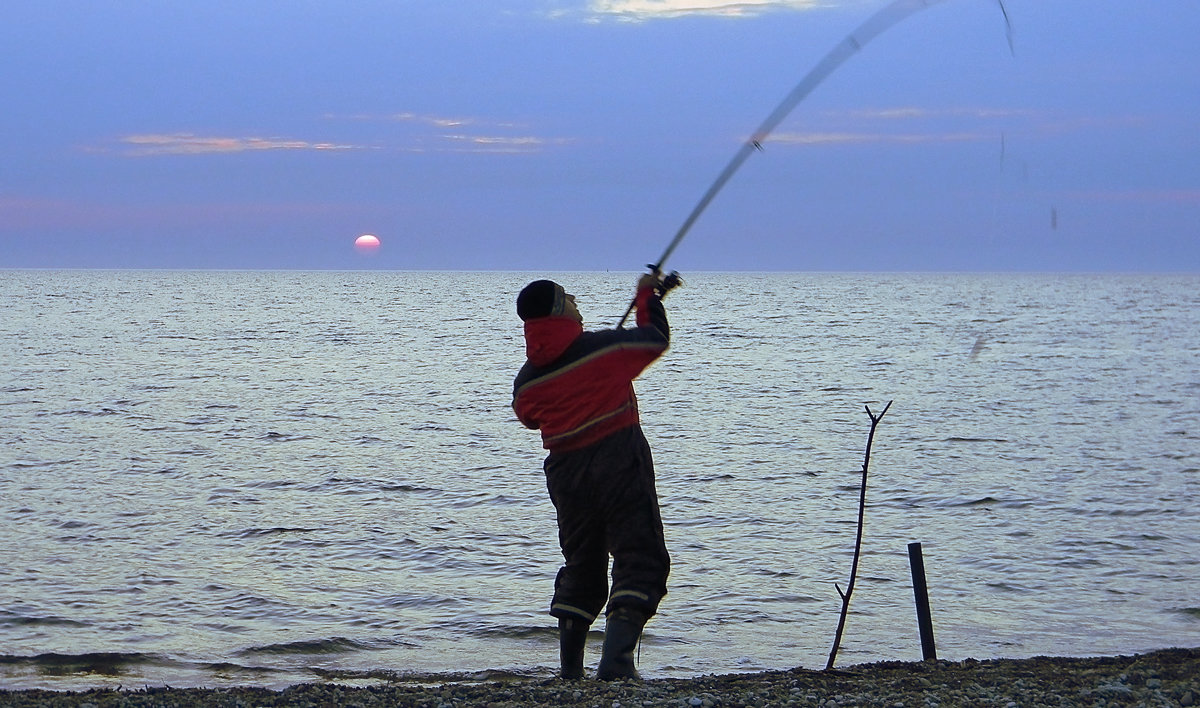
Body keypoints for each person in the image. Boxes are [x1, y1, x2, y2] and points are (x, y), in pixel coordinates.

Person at [512, 272, 676, 681]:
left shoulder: (527, 378)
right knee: (640, 554)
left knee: (582, 561)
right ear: (558, 310)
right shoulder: (603, 348)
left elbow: (528, 416)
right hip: (618, 456)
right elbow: (654, 337)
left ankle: (570, 671)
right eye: (567, 296)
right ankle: (617, 662)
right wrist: (647, 297)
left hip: (566, 473)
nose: (574, 299)